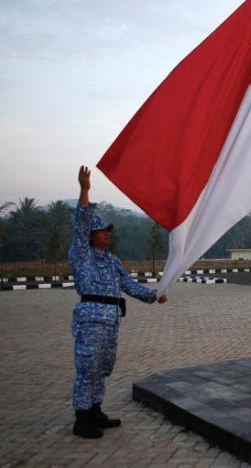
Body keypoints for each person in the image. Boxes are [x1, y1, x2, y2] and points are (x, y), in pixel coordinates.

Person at [69, 166, 167, 439]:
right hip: (90, 319)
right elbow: (80, 223)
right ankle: (82, 418)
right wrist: (85, 189)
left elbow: (130, 286)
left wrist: (155, 294)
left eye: (107, 231)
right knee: (87, 368)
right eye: (102, 231)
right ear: (91, 235)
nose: (107, 234)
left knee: (103, 367)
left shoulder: (112, 261)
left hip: (111, 321)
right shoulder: (81, 255)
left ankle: (95, 410)